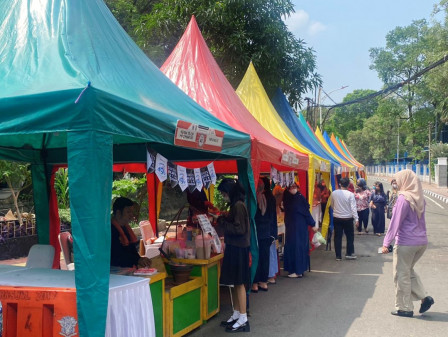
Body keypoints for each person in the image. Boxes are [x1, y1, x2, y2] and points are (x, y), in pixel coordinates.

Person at [381, 170, 434, 317]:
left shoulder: (404, 199)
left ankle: (405, 308)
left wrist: (386, 243)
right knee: (408, 270)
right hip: (421, 242)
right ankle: (424, 298)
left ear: (404, 181)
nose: (396, 184)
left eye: (397, 180)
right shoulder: (420, 198)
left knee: (401, 275)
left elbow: (395, 223)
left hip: (406, 243)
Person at [217, 178, 251, 333]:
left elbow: (240, 229)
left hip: (238, 248)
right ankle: (237, 313)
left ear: (230, 191)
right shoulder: (237, 205)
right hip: (236, 247)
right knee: (235, 282)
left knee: (239, 283)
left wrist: (223, 223)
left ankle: (243, 317)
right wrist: (224, 218)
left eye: (224, 192)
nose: (224, 195)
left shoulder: (238, 206)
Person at [283, 182, 317, 278]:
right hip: (294, 226)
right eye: (291, 187)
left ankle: (298, 271)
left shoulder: (299, 198)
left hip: (298, 227)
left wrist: (313, 223)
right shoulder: (292, 198)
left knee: (297, 247)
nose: (293, 189)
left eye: (295, 187)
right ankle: (298, 270)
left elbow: (306, 212)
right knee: (297, 247)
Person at [110, 197, 151, 268]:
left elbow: (132, 249)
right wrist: (137, 260)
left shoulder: (126, 228)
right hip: (115, 270)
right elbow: (116, 254)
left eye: (132, 212)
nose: (132, 215)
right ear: (118, 213)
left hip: (127, 268)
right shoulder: (110, 230)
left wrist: (140, 259)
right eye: (128, 212)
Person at [252, 177, 277, 292]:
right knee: (264, 257)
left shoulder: (253, 198)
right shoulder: (270, 197)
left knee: (256, 256)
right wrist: (274, 233)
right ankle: (263, 282)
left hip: (256, 231)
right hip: (267, 231)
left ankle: (255, 283)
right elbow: (273, 216)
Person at [331, 177, 359, 260]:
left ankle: (338, 256)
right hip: (348, 218)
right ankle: (349, 253)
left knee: (337, 237)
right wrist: (356, 219)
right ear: (348, 185)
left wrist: (336, 211)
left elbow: (332, 204)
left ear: (340, 184)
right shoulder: (350, 194)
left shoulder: (334, 193)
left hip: (337, 218)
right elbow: (353, 208)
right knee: (350, 236)